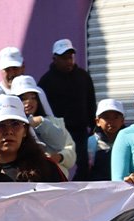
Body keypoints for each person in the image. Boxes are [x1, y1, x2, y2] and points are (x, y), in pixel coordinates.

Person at [38, 39, 97, 180]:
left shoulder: (83, 77)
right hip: (58, 133)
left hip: (80, 132)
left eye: (70, 57)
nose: (68, 61)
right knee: (59, 165)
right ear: (55, 59)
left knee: (83, 167)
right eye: (64, 58)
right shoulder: (46, 81)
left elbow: (90, 102)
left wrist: (93, 126)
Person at [0, 95, 66, 182]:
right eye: (0, 125)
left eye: (15, 124)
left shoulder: (46, 168)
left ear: (25, 131)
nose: (9, 131)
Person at [10, 75, 75, 171]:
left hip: (56, 176)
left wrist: (59, 157)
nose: (29, 102)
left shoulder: (55, 122)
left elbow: (69, 149)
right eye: (23, 98)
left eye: (33, 97)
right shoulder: (10, 127)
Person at [89, 99, 126, 182]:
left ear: (122, 121)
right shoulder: (91, 142)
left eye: (116, 117)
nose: (111, 122)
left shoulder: (129, 141)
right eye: (106, 117)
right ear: (97, 121)